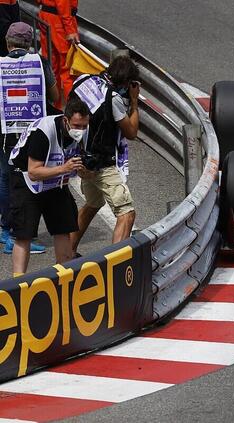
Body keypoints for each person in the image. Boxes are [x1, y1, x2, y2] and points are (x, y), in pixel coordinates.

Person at [7, 96, 88, 276]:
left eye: (84, 126)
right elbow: (34, 172)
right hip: (27, 179)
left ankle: (64, 275)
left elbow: (83, 171)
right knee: (24, 234)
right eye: (77, 126)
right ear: (66, 120)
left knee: (64, 228)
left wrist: (83, 170)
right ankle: (18, 281)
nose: (80, 130)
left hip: (56, 180)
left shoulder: (84, 132)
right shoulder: (43, 132)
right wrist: (64, 168)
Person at [69, 55, 139, 253]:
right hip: (102, 163)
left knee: (93, 203)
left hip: (81, 158)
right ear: (125, 82)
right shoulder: (114, 99)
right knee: (126, 213)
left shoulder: (84, 81)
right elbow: (131, 132)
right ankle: (115, 266)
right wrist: (133, 102)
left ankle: (66, 255)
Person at [0, 21, 59, 254]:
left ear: (7, 42)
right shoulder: (40, 63)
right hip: (32, 131)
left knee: (5, 178)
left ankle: (6, 230)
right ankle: (17, 235)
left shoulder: (0, 65)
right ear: (29, 43)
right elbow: (54, 95)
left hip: (4, 131)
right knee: (26, 179)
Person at [38, 0, 79, 106]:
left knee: (51, 66)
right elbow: (63, 4)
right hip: (59, 22)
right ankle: (73, 111)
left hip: (46, 16)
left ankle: (53, 107)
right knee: (68, 69)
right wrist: (70, 29)